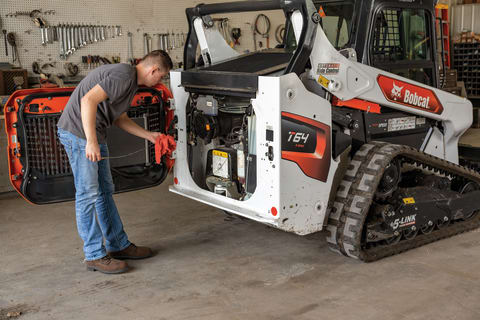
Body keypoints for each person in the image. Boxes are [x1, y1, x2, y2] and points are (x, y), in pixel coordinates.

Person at [57, 50, 174, 274]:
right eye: (161, 77)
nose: (159, 81)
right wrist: (91, 141)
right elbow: (88, 100)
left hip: (93, 135)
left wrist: (149, 136)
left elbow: (119, 118)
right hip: (79, 134)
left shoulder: (129, 81)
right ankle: (93, 255)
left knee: (104, 191)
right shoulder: (124, 75)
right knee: (88, 193)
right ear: (154, 70)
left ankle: (118, 245)